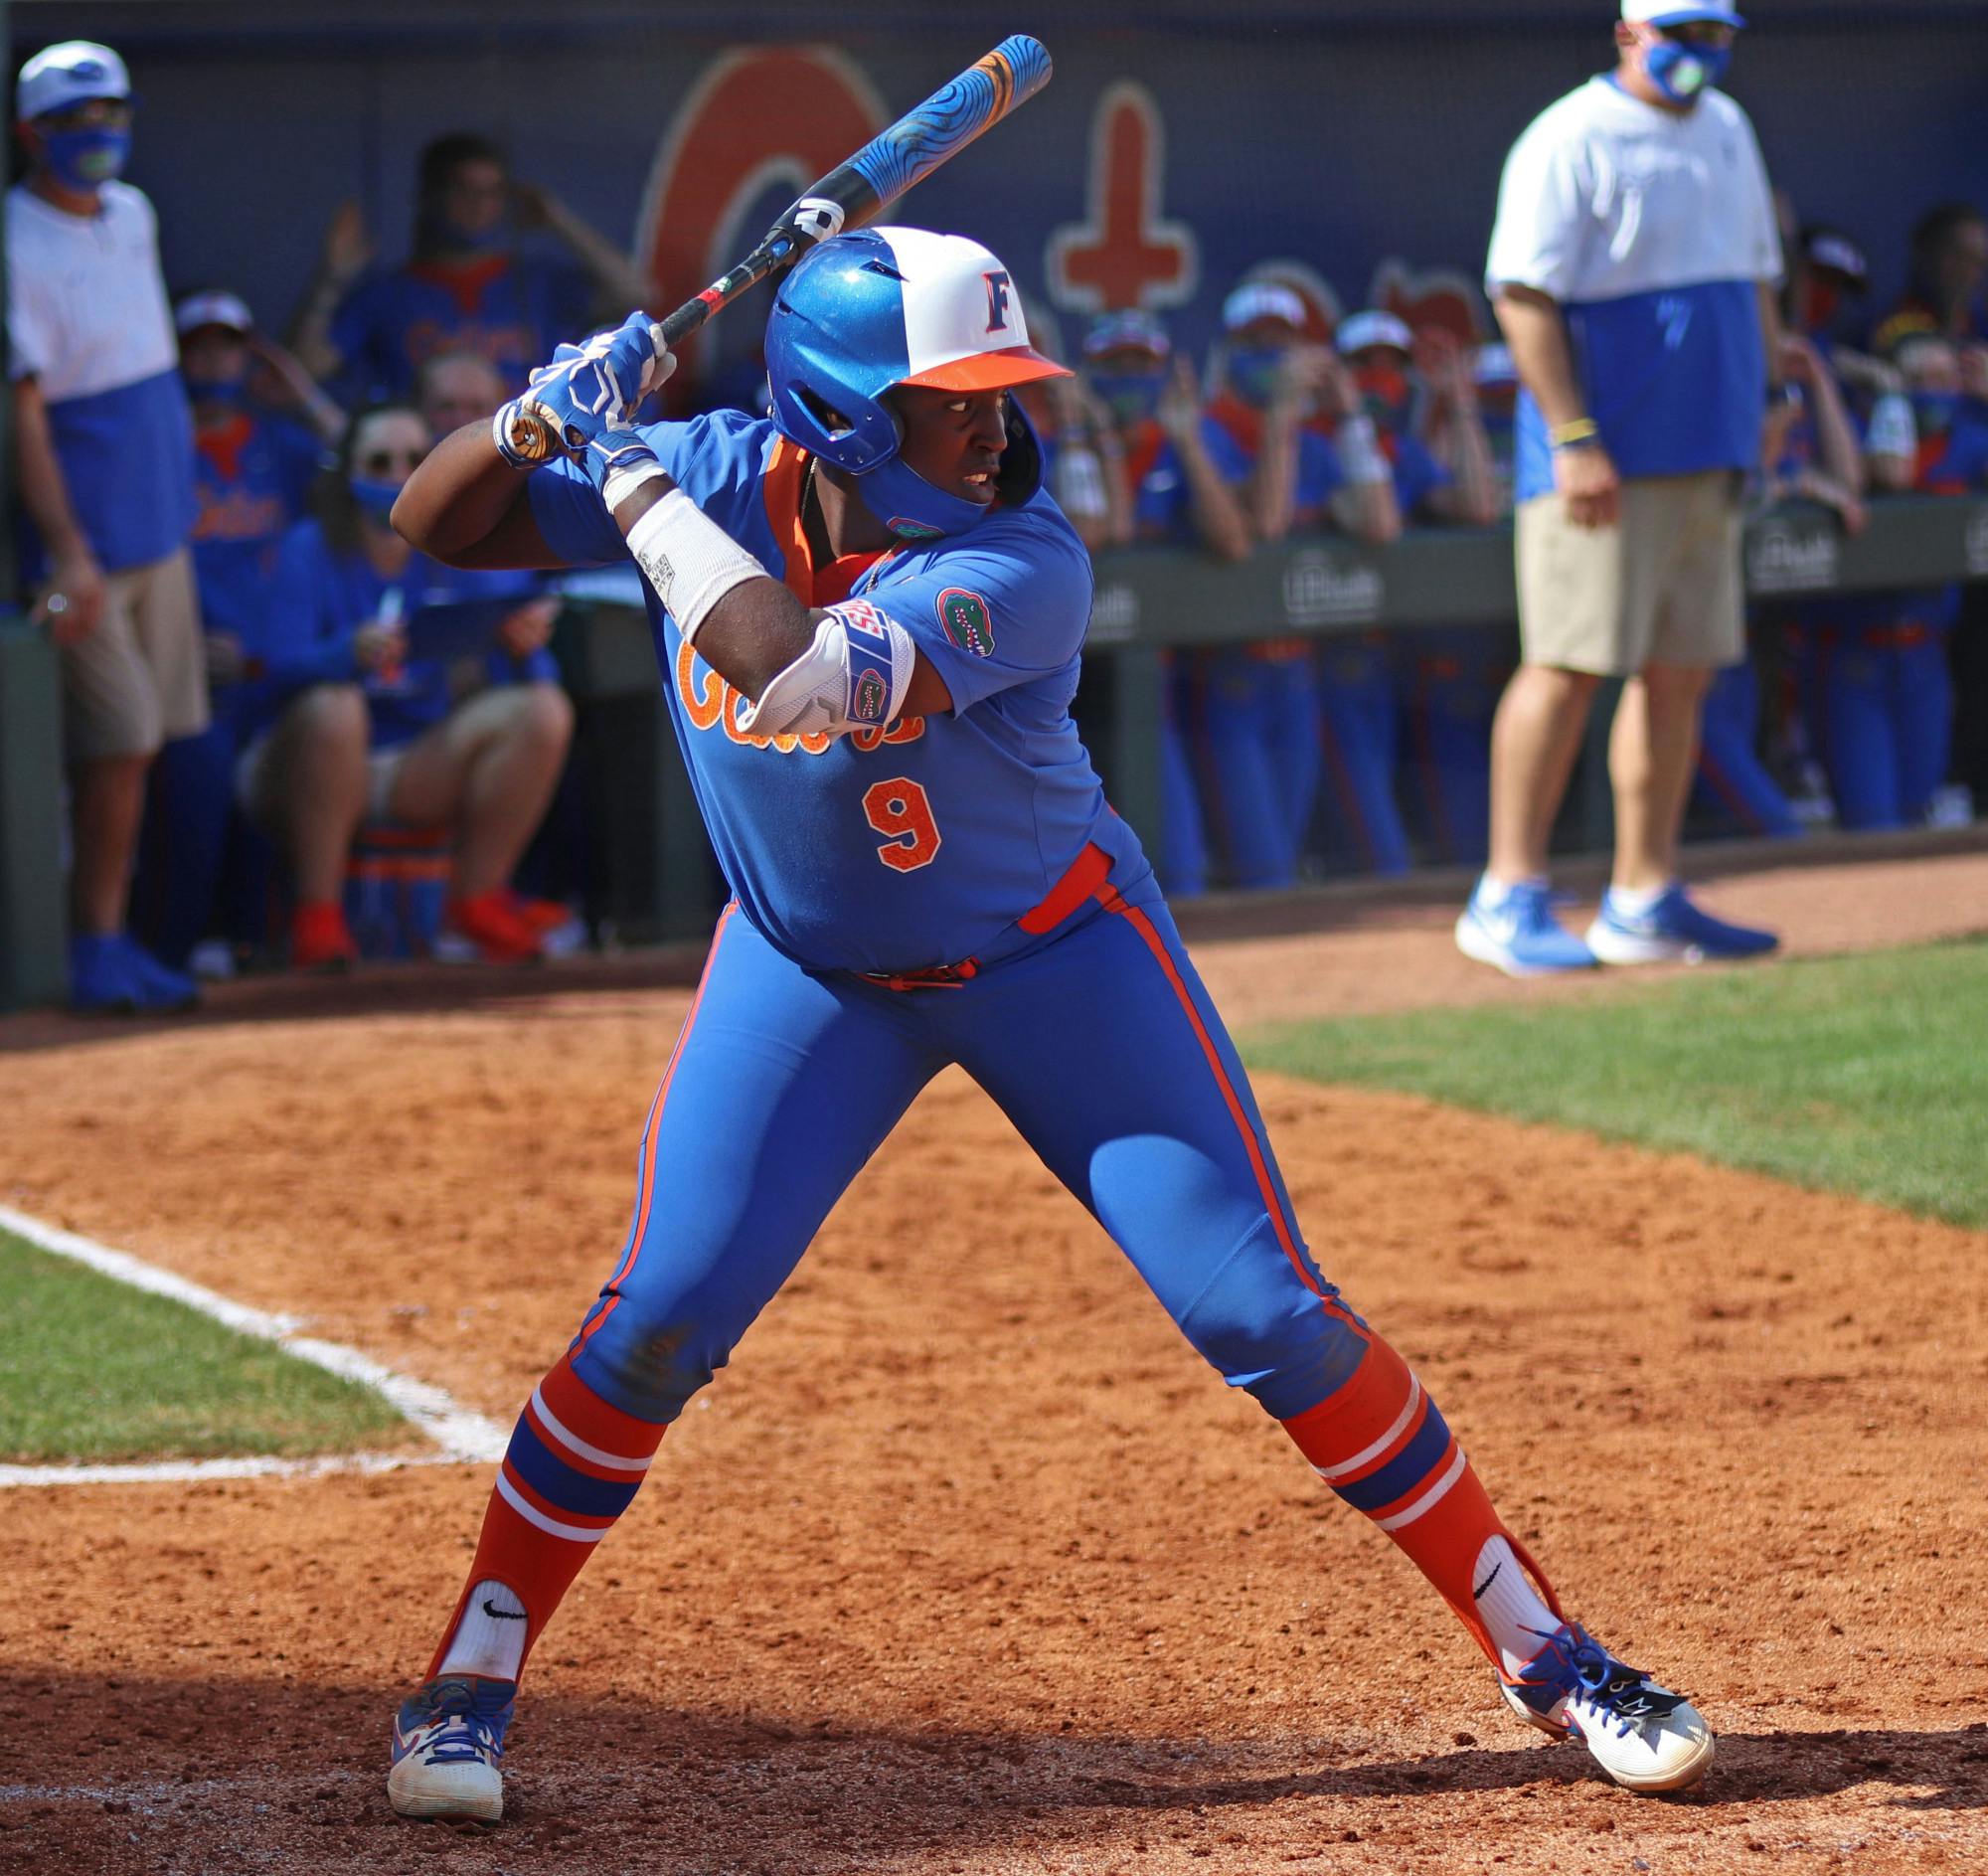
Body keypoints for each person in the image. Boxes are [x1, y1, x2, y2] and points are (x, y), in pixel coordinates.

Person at [379, 226, 1716, 1827]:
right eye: (958, 400)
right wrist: (537, 423)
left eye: (1003, 394)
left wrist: (619, 470)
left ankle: (1552, 1653)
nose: (998, 427)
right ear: (847, 418)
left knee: (1269, 1316)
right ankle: (468, 1673)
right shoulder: (705, 466)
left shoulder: (1022, 557)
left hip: (1052, 952)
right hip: (812, 967)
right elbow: (432, 519)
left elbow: (796, 675)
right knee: (657, 1315)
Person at [1456, 0, 1784, 975]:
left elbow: (1751, 278)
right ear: (1627, 33)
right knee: (1563, 666)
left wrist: (1762, 399)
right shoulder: (1566, 136)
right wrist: (1571, 434)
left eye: (1715, 36)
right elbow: (1520, 293)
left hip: (1706, 443)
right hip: (1603, 455)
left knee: (1679, 672)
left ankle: (1641, 896)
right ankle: (1504, 892)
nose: (1698, 54)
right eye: (1680, 34)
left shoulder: (1728, 127)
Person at [8, 40, 206, 1012]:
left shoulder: (134, 215)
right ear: (28, 133)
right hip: (85, 551)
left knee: (152, 746)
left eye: (110, 113)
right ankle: (87, 945)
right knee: (117, 746)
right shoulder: (12, 239)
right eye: (72, 120)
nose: (97, 134)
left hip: (160, 529)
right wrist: (68, 550)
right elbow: (25, 411)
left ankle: (121, 943)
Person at [246, 405, 575, 965]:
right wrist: (343, 654)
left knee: (543, 710)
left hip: (412, 764)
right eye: (379, 462)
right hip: (299, 766)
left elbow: (529, 677)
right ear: (347, 474)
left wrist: (522, 651)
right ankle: (317, 916)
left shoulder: (460, 545)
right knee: (336, 707)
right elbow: (267, 677)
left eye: (414, 460)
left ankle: (475, 901)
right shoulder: (308, 547)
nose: (398, 475)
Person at [134, 290, 335, 971]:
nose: (215, 360)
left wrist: (301, 394)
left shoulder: (278, 440)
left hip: (277, 671)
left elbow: (378, 472)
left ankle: (260, 943)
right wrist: (180, 641)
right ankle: (175, 949)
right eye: (201, 346)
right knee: (199, 785)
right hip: (195, 671)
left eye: (229, 345)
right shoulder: (156, 442)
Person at [1196, 282, 1397, 889]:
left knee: (1300, 864)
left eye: (1281, 346)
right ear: (1230, 353)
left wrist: (1351, 416)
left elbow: (1381, 524)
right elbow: (1268, 522)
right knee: (1265, 873)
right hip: (1225, 678)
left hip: (1298, 677)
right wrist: (1282, 414)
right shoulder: (1209, 431)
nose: (1271, 359)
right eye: (1255, 345)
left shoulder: (1316, 443)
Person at [1079, 307, 1256, 896]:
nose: (1129, 380)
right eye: (1115, 366)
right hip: (1067, 692)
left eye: (1141, 365)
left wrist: (1185, 439)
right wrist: (1095, 438)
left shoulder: (1180, 441)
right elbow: (1106, 532)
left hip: (1160, 687)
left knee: (1179, 862)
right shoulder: (1051, 441)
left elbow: (1233, 541)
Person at [289, 131, 651, 405]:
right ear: (429, 196)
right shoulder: (388, 294)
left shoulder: (535, 281)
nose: (479, 205)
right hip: (428, 467)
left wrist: (557, 218)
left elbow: (636, 294)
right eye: (464, 190)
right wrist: (332, 278)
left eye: (491, 192)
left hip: (526, 458)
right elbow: (306, 367)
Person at [1870, 202, 1988, 357]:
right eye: (1957, 256)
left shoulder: (1978, 326)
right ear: (1925, 254)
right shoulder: (1896, 323)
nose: (1967, 272)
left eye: (1979, 262)